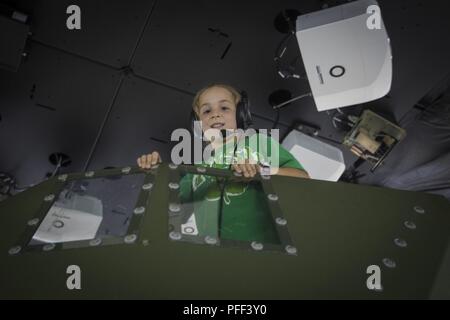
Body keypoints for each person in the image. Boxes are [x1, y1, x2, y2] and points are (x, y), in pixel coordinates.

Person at [137, 84, 309, 244]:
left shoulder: (259, 142)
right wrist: (156, 173)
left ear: (241, 114)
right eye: (206, 111)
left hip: (264, 247)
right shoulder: (194, 169)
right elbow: (171, 212)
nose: (215, 114)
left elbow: (303, 177)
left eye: (224, 107)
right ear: (197, 124)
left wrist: (261, 170)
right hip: (212, 257)